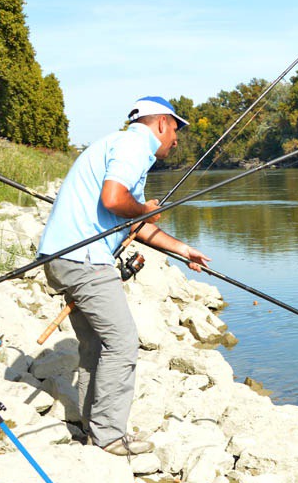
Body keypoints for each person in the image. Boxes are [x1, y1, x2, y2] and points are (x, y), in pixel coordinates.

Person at [37, 96, 210, 455]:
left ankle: (91, 429)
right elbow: (115, 200)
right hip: (84, 259)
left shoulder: (121, 147)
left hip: (63, 256)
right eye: (175, 129)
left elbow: (136, 223)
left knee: (96, 347)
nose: (176, 139)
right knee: (123, 342)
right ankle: (110, 435)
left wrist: (182, 250)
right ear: (161, 123)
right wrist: (144, 209)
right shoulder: (134, 144)